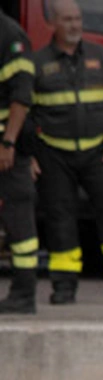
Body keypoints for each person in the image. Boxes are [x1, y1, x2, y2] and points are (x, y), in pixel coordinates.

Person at [29, 0, 103, 306]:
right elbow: (23, 109)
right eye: (67, 20)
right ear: (53, 23)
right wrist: (30, 152)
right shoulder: (37, 62)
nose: (75, 25)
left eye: (78, 19)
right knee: (60, 218)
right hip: (54, 152)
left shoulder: (101, 56)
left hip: (98, 150)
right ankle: (64, 286)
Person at [0, 12, 39, 315]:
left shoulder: (11, 36)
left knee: (18, 219)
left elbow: (21, 97)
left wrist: (9, 142)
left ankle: (24, 293)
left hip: (6, 145)